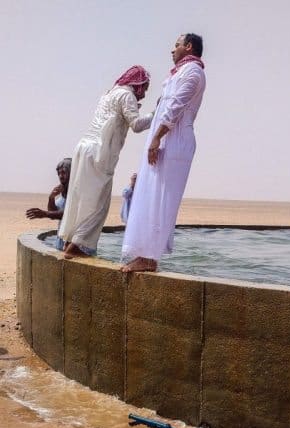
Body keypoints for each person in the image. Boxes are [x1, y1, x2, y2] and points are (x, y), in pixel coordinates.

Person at [121, 34, 206, 272]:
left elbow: (176, 106)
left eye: (177, 45)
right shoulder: (178, 73)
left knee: (161, 198)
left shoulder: (193, 72)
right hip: (164, 139)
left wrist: (157, 137)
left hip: (175, 141)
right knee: (150, 194)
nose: (172, 49)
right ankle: (144, 254)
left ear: (188, 47)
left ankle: (150, 257)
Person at [58, 65, 153, 259]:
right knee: (98, 205)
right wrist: (155, 113)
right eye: (144, 88)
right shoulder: (127, 95)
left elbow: (115, 118)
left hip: (84, 148)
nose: (144, 94)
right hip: (99, 153)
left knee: (80, 200)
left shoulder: (109, 94)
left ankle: (69, 242)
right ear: (138, 84)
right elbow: (136, 125)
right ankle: (76, 248)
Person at [26, 158, 72, 250]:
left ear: (71, 173)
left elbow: (67, 214)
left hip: (73, 246)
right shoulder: (63, 195)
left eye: (64, 173)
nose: (60, 176)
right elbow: (53, 214)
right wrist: (51, 198)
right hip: (61, 243)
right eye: (59, 173)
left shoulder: (76, 194)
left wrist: (44, 214)